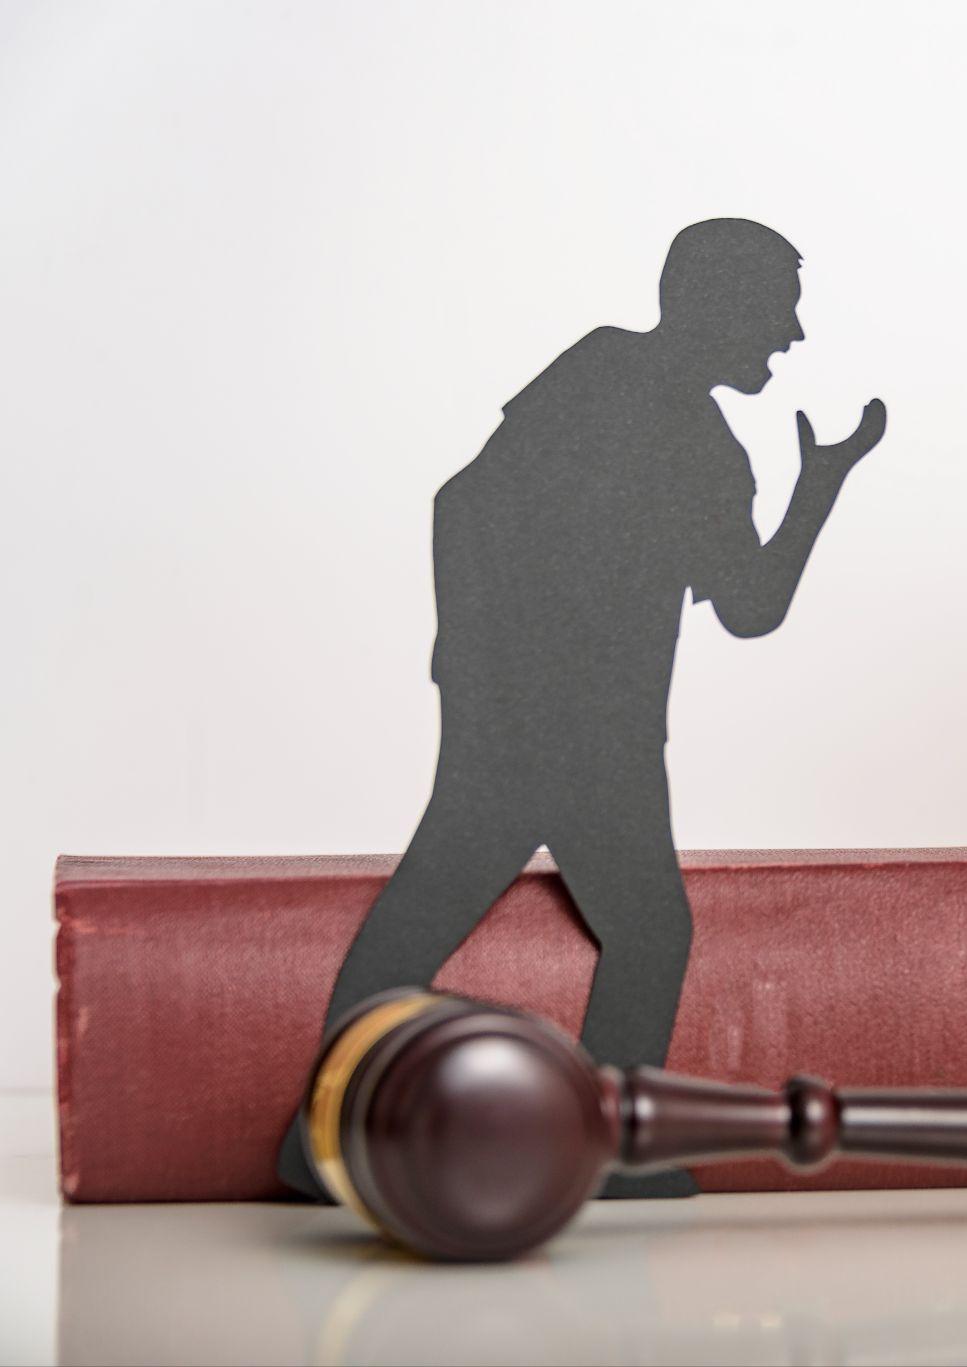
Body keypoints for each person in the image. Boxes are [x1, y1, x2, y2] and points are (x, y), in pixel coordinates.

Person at [278, 219, 886, 1197]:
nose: (793, 333)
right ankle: (594, 1152)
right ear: (715, 303)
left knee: (442, 903)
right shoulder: (657, 412)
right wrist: (479, 661)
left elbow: (741, 603)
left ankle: (322, 1142)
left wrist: (817, 482)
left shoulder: (666, 417)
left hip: (550, 714)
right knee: (641, 927)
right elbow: (466, 503)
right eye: (779, 306)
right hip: (583, 725)